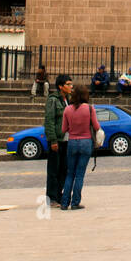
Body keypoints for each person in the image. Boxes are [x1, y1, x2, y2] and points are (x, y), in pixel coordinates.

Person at [60, 84, 101, 211]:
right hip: (85, 142)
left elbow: (63, 129)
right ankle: (75, 202)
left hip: (72, 142)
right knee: (79, 174)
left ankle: (64, 202)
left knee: (70, 174)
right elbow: (96, 126)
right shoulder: (89, 108)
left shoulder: (67, 109)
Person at [44, 75, 72, 206]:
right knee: (54, 170)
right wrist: (53, 140)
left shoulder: (68, 100)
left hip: (67, 139)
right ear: (61, 86)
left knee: (64, 169)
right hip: (57, 139)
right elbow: (49, 120)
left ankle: (59, 195)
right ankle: (51, 197)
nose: (71, 87)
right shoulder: (53, 100)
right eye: (68, 84)